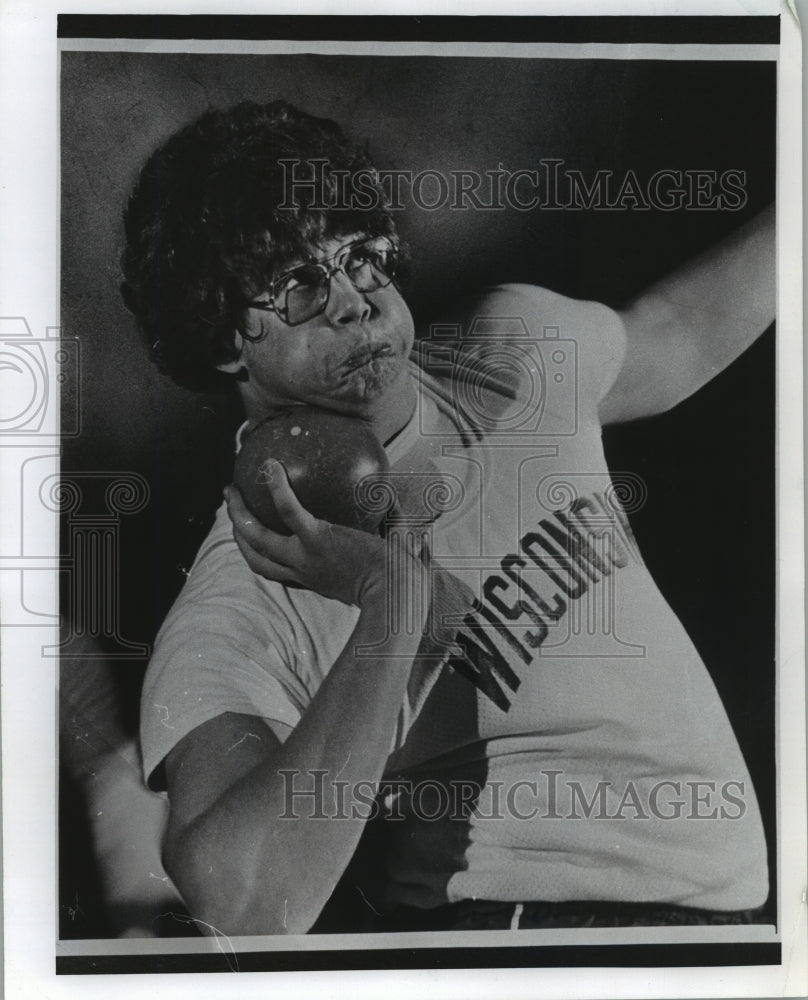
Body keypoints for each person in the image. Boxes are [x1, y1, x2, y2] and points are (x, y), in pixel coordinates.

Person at [123, 100, 774, 936]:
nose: (354, 302)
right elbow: (247, 904)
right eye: (298, 285)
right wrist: (392, 603)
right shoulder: (240, 599)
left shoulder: (513, 351)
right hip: (540, 944)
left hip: (733, 926)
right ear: (221, 341)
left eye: (359, 256)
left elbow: (676, 333)